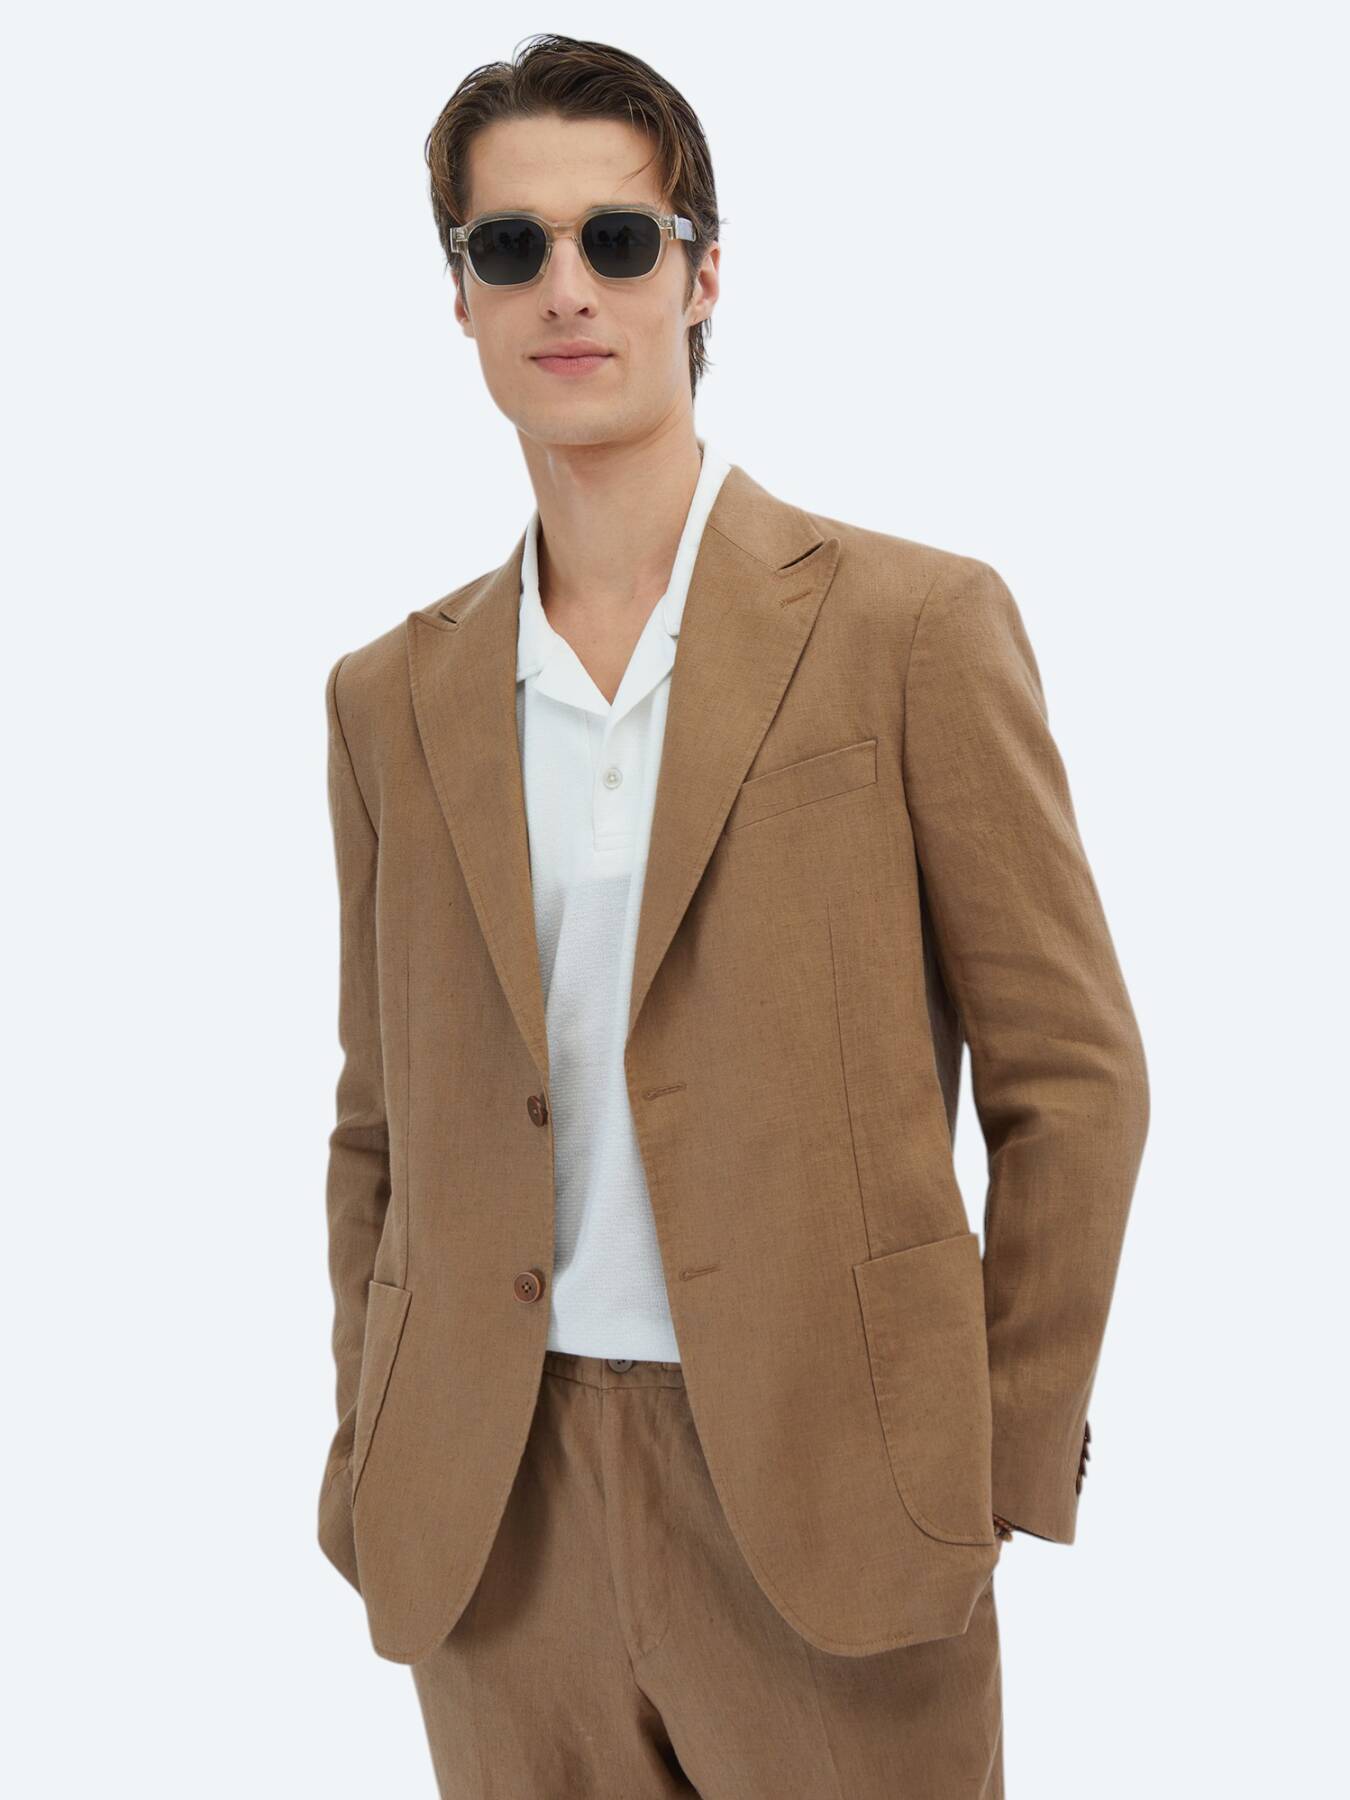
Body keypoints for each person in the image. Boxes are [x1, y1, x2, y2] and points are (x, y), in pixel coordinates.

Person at [315, 33, 1149, 1799]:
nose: (566, 287)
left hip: (831, 1493)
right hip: (490, 1514)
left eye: (616, 239)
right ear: (458, 299)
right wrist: (365, 1451)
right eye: (510, 246)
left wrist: (989, 1460)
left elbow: (1073, 1081)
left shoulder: (909, 626)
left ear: (701, 275)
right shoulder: (391, 696)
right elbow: (375, 1126)